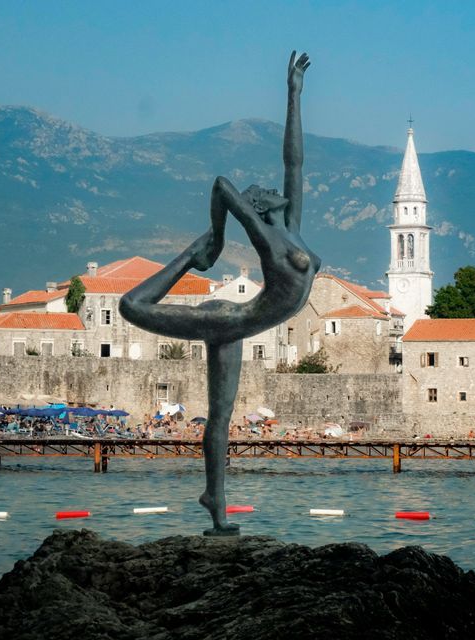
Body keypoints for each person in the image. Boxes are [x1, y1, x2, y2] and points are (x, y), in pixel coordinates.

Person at [120, 52, 318, 535]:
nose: (275, 185)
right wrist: (215, 237)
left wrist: (293, 94)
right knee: (130, 306)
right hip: (225, 319)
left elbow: (294, 159)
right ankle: (189, 256)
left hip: (238, 326)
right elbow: (221, 185)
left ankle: (216, 501)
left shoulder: (289, 227)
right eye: (264, 189)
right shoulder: (268, 237)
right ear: (257, 205)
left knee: (221, 419)